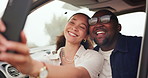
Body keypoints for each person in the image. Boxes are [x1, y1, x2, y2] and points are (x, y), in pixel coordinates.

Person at [0, 13, 104, 78]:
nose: (74, 28)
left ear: (86, 36)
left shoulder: (94, 57)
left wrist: (33, 67)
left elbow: (79, 75)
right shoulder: (47, 59)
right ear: (66, 26)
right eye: (72, 22)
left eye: (82, 27)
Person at [88, 9, 142, 78]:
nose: (98, 25)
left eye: (105, 19)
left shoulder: (139, 46)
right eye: (93, 21)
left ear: (118, 27)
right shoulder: (89, 56)